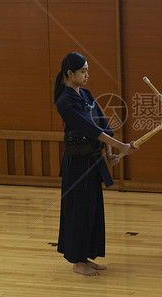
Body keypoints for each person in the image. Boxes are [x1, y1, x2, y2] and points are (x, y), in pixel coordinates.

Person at [54, 52, 137, 276]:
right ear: (70, 74)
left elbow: (102, 124)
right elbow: (89, 129)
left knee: (92, 210)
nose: (87, 74)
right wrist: (120, 146)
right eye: (83, 71)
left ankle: (86, 257)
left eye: (88, 69)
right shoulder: (65, 101)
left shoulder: (87, 94)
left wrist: (110, 152)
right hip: (77, 164)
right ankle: (76, 261)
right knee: (77, 211)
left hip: (92, 160)